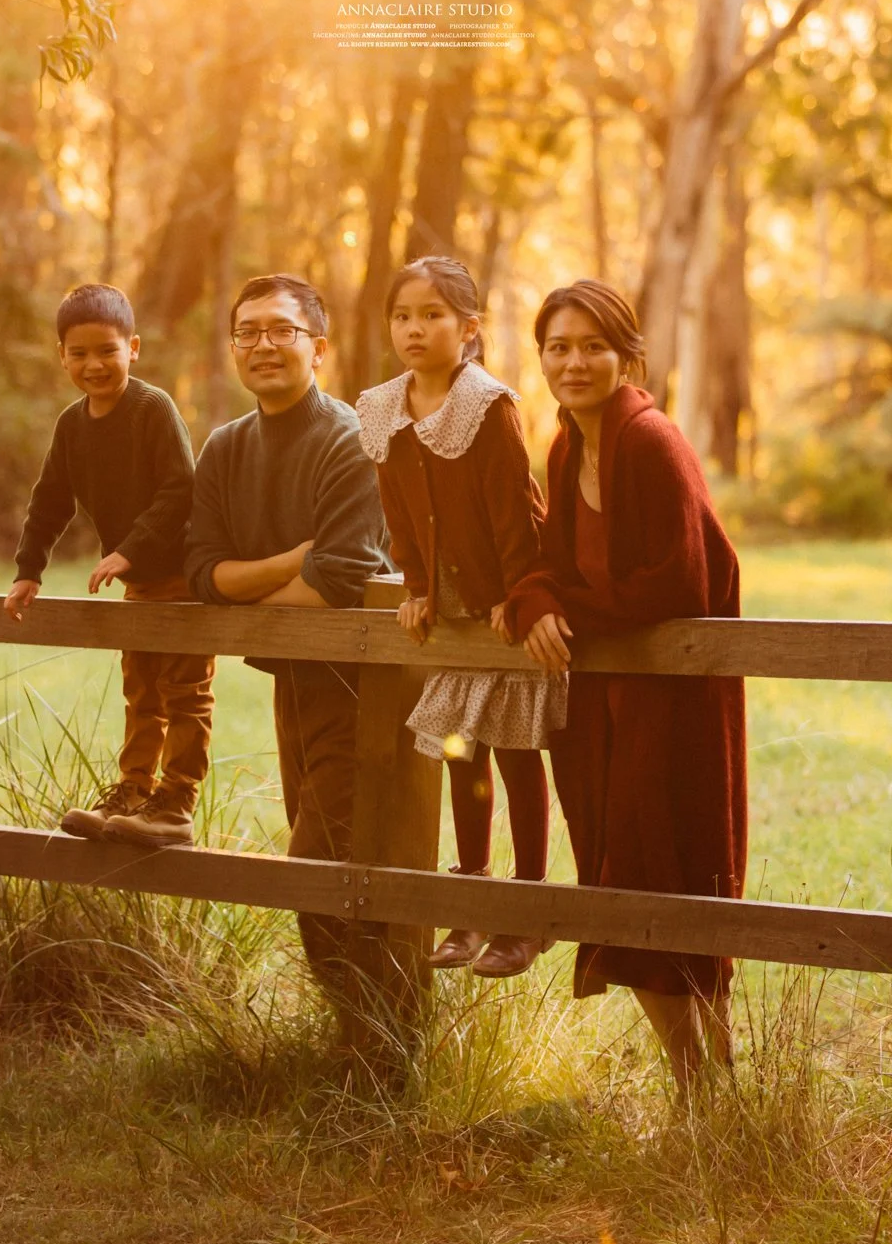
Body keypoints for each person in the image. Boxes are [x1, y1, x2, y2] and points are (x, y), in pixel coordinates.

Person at [506, 279, 746, 1090]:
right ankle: (695, 1086)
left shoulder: (651, 442)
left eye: (592, 347)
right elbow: (555, 563)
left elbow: (673, 586)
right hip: (606, 707)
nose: (574, 362)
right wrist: (535, 597)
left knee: (675, 875)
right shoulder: (568, 446)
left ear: (626, 354)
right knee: (617, 876)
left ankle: (715, 1081)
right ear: (539, 356)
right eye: (558, 347)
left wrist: (558, 601)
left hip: (676, 703)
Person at [356, 257, 566, 980]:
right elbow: (400, 515)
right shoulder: (385, 407)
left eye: (434, 315)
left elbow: (515, 512)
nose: (416, 328)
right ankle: (469, 895)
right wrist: (416, 587)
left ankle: (526, 913)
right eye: (403, 315)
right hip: (448, 616)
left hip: (505, 606)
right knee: (457, 752)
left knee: (514, 754)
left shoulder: (488, 403)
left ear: (469, 329)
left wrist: (517, 593)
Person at [185, 273, 388, 995]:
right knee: (325, 862)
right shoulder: (225, 448)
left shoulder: (353, 439)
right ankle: (363, 1039)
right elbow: (201, 575)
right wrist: (289, 560)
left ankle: (375, 1046)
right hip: (291, 679)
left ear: (319, 347)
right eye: (248, 331)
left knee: (325, 870)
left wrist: (259, 585)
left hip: (365, 685)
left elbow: (339, 583)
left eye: (282, 330)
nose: (263, 345)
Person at [5, 283, 215, 848]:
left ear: (134, 348)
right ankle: (133, 792)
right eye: (79, 354)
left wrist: (128, 550)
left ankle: (175, 803)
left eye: (107, 350)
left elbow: (179, 491)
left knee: (184, 691)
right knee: (141, 693)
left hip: (183, 578)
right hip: (141, 585)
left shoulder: (152, 409)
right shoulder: (73, 426)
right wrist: (29, 570)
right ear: (62, 356)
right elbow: (50, 499)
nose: (94, 364)